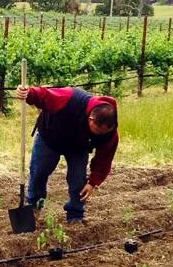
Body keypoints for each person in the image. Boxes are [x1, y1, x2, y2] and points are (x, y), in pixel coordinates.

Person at [16, 86, 119, 223]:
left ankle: (75, 216)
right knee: (38, 172)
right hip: (50, 137)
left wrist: (93, 182)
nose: (103, 134)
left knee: (78, 180)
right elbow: (46, 95)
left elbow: (104, 159)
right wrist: (28, 93)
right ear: (91, 119)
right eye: (99, 131)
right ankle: (34, 206)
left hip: (78, 147)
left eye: (106, 132)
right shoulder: (70, 98)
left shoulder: (110, 133)